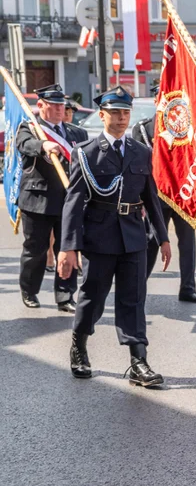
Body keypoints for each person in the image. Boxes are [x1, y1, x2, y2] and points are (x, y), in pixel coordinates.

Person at [58, 86, 171, 386]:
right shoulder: (86, 153)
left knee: (133, 299)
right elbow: (73, 200)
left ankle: (138, 361)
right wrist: (68, 247)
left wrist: (163, 237)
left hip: (133, 236)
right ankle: (79, 345)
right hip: (100, 235)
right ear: (102, 114)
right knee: (93, 296)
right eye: (115, 112)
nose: (122, 118)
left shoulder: (141, 151)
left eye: (126, 112)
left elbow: (151, 197)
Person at [15, 84, 88, 311]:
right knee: (35, 250)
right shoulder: (30, 128)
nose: (59, 109)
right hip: (38, 201)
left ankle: (65, 296)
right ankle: (29, 290)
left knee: (67, 249)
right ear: (41, 105)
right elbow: (24, 144)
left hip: (68, 201)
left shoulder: (77, 133)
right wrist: (43, 144)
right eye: (54, 104)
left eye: (61, 105)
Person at [131, 83, 196, 304]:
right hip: (156, 195)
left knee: (188, 242)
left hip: (182, 193)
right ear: (157, 101)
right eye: (161, 98)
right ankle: (138, 286)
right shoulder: (143, 129)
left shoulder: (187, 127)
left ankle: (188, 288)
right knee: (152, 240)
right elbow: (138, 166)